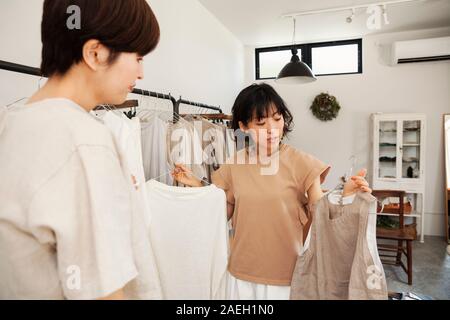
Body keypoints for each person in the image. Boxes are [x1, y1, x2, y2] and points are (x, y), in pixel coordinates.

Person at [0, 0, 160, 300]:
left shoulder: (10, 124)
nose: (141, 74)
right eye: (137, 57)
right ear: (95, 53)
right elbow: (103, 293)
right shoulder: (84, 141)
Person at [172, 83, 372, 300]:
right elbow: (220, 210)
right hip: (241, 273)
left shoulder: (302, 163)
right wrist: (198, 185)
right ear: (243, 126)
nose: (272, 129)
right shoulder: (234, 165)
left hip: (286, 275)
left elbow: (321, 210)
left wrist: (346, 195)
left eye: (277, 119)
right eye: (261, 122)